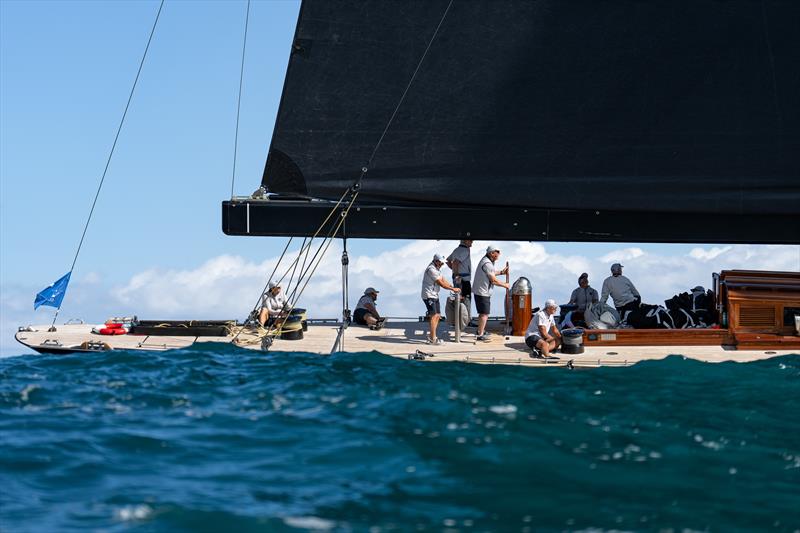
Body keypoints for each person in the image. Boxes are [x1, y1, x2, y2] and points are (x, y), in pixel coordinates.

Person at [472, 245, 510, 341]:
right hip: (482, 292)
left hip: (482, 291)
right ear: (492, 253)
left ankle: (480, 331)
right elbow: (493, 280)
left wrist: (501, 272)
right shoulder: (487, 263)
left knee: (483, 313)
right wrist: (505, 285)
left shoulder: (488, 262)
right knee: (484, 314)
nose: (499, 254)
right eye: (497, 252)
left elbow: (491, 272)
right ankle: (480, 335)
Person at [421, 254, 461, 345]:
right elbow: (441, 284)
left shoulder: (437, 269)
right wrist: (452, 289)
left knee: (438, 315)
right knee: (433, 315)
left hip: (434, 294)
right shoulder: (431, 269)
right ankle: (432, 338)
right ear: (436, 261)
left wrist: (452, 286)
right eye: (441, 263)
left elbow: (443, 279)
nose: (442, 265)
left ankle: (432, 336)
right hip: (429, 295)